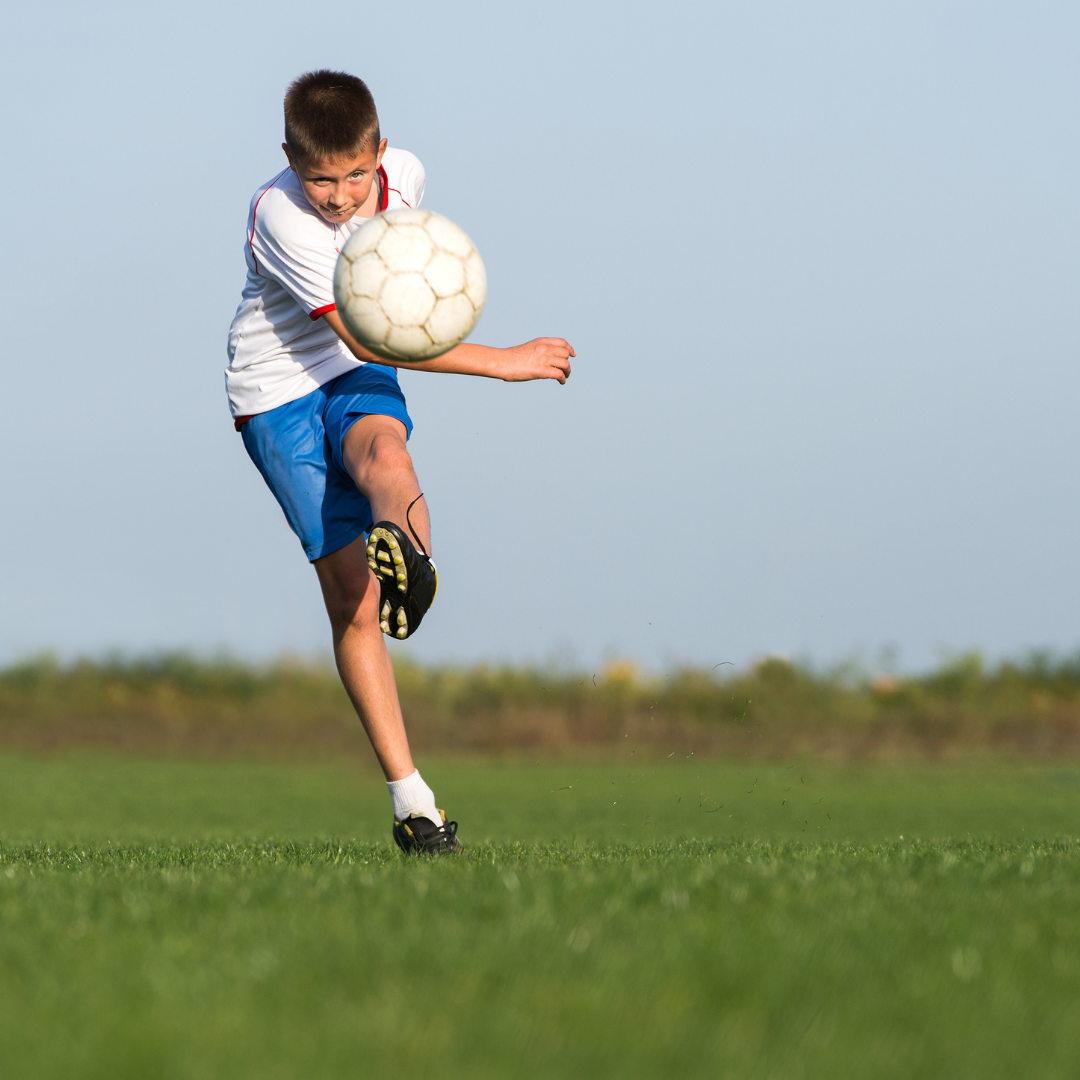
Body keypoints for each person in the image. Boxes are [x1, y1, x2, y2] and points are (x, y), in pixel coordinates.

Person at [226, 70, 574, 854]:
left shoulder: (406, 175)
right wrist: (504, 362)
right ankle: (413, 803)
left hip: (353, 379)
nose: (342, 196)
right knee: (352, 600)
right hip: (276, 394)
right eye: (321, 177)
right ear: (290, 160)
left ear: (379, 152)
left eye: (355, 173)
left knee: (386, 449)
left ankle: (410, 555)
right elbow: (367, 334)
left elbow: (406, 297)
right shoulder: (280, 214)